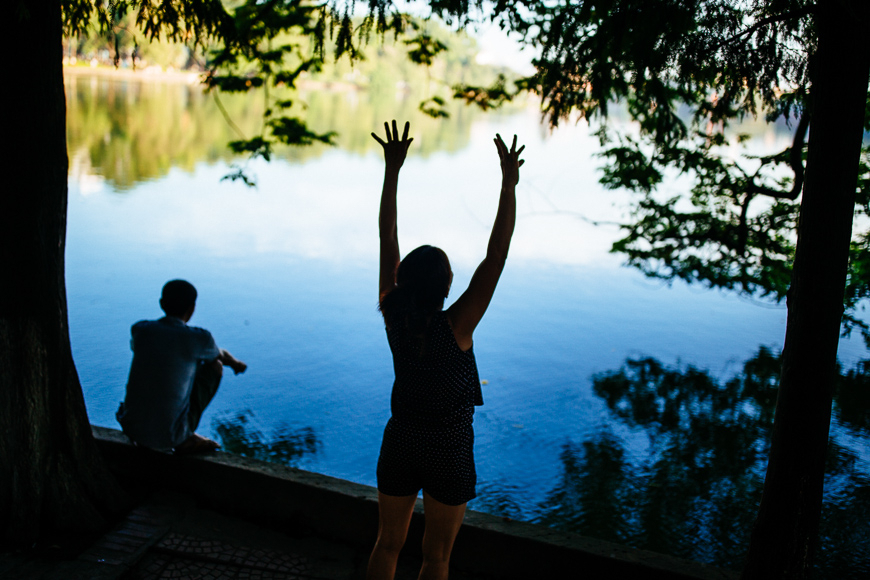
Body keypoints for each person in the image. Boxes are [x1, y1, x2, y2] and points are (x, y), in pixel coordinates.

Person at [367, 120, 524, 580]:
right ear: (447, 286)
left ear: (403, 282)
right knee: (436, 557)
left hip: (401, 439)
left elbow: (386, 237)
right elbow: (497, 255)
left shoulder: (392, 314)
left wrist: (392, 170)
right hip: (449, 448)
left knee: (387, 544)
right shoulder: (458, 324)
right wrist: (508, 184)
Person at [116, 279, 247, 454]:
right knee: (214, 366)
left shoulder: (141, 330)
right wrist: (236, 363)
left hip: (132, 428)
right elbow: (219, 356)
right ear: (192, 308)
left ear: (162, 304)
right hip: (169, 437)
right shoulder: (199, 338)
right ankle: (185, 436)